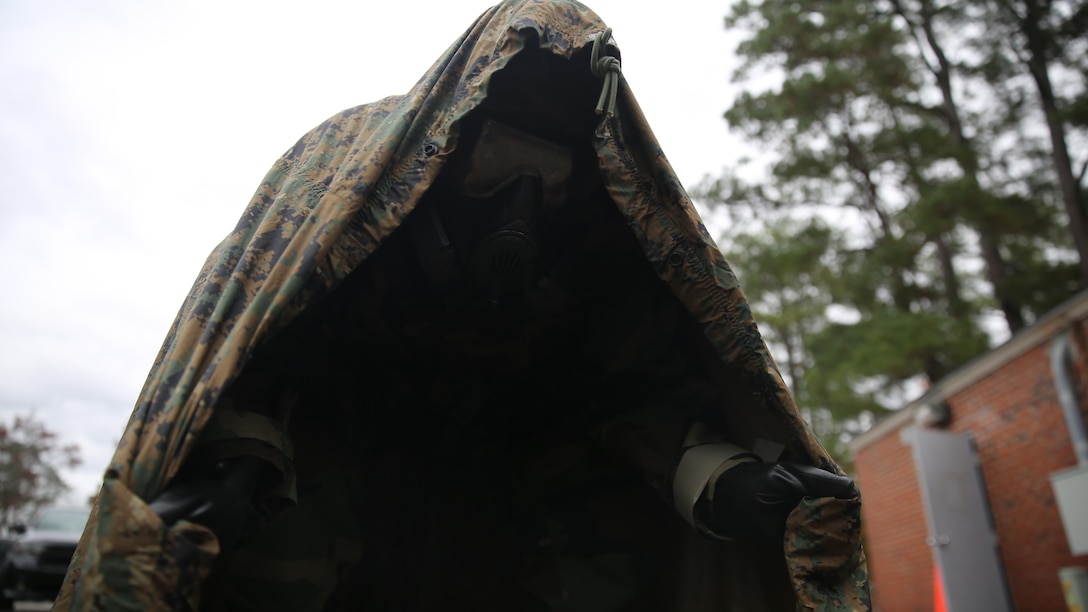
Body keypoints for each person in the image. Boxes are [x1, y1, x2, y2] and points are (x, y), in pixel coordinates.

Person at [56, 1, 870, 610]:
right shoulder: (350, 177)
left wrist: (724, 482)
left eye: (551, 173)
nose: (524, 198)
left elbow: (638, 391)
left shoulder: (606, 234)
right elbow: (260, 339)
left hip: (519, 485)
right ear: (452, 135)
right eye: (500, 160)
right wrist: (238, 465)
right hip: (345, 460)